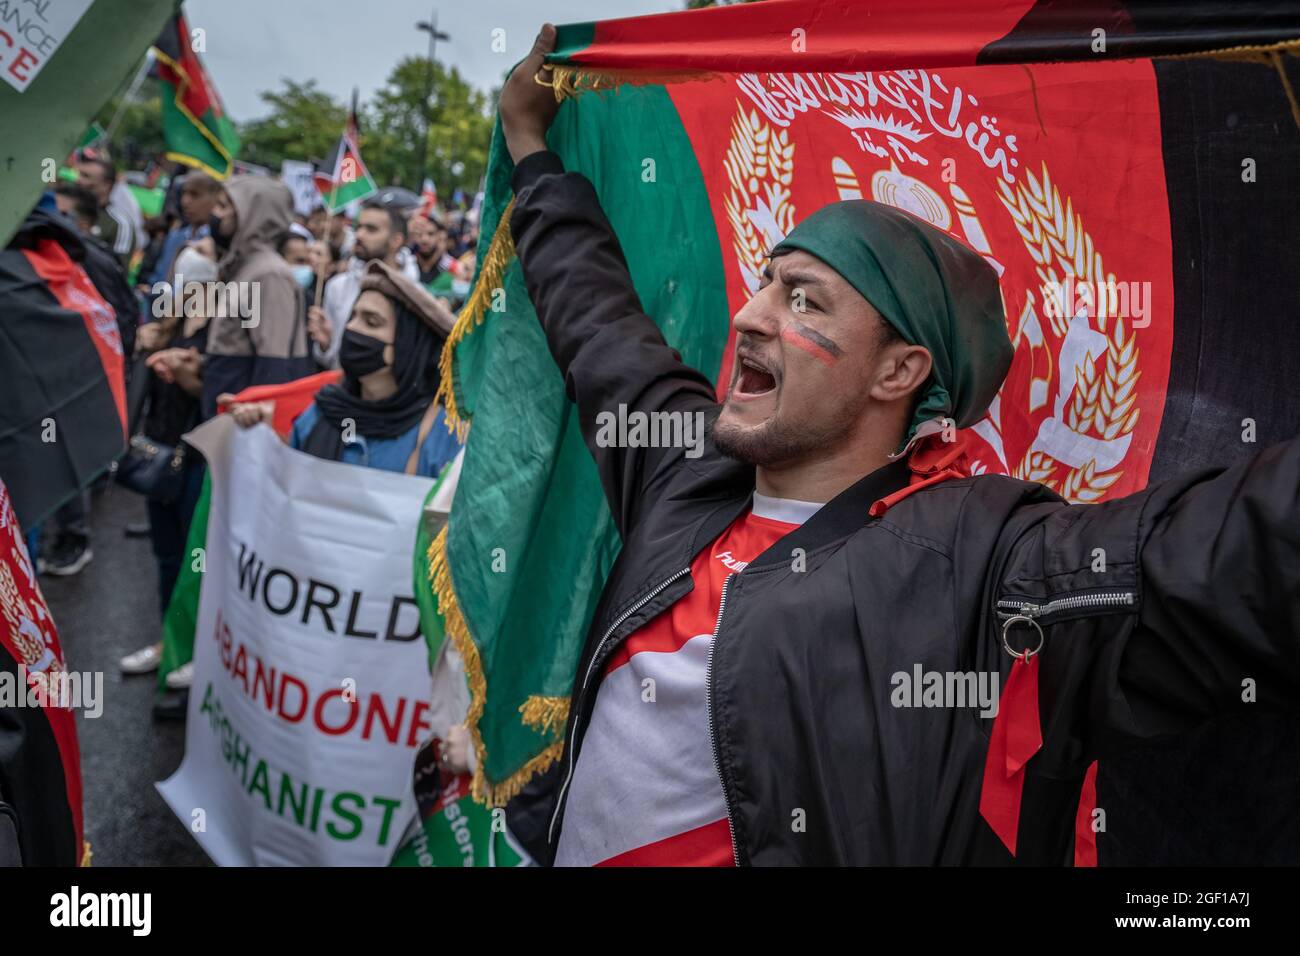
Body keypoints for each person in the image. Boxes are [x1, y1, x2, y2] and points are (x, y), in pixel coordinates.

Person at [497, 25, 1300, 867]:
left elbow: (1228, 550)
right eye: (765, 282)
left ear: (900, 370)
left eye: (803, 300)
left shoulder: (988, 562)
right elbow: (598, 327)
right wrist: (529, 145)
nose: (749, 316)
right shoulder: (685, 474)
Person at [230, 259, 461, 478]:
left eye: (371, 322)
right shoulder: (323, 413)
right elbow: (286, 491)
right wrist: (261, 434)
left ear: (408, 344)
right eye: (353, 316)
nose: (351, 328)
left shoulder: (443, 434)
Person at [119, 238, 217, 689]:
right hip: (161, 452)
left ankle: (194, 652)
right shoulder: (170, 320)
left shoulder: (224, 327)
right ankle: (167, 643)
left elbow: (218, 396)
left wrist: (187, 374)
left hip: (200, 459)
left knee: (195, 560)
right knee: (166, 556)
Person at [201, 176, 314, 419]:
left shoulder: (268, 275)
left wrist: (258, 423)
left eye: (224, 206)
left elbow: (273, 363)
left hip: (243, 422)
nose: (215, 213)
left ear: (250, 215)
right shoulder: (244, 266)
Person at [308, 200, 410, 370]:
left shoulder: (413, 293)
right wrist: (326, 346)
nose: (360, 235)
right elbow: (330, 361)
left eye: (371, 229)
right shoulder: (337, 287)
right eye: (359, 227)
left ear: (396, 240)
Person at [75, 153, 137, 269]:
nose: (78, 180)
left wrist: (87, 238)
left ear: (106, 185)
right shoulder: (67, 209)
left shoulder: (120, 224)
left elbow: (117, 271)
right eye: (79, 175)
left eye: (86, 176)